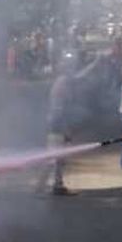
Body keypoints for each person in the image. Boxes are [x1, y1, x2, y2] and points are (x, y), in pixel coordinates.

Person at [41, 51, 100, 195]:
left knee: (58, 158)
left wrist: (95, 63)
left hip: (57, 123)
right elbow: (59, 109)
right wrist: (66, 129)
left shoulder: (64, 80)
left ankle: (56, 185)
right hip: (57, 124)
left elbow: (80, 77)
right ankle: (50, 186)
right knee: (56, 158)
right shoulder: (62, 83)